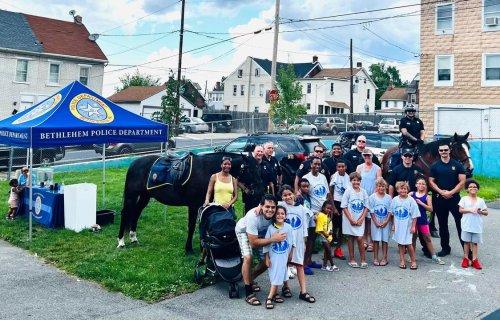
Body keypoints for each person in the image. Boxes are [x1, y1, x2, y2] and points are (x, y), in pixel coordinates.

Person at [235, 194, 286, 306]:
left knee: (268, 261)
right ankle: (248, 292)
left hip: (261, 233)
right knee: (248, 257)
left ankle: (249, 278)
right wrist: (272, 239)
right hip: (243, 231)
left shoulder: (275, 211)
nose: (270, 210)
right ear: (261, 206)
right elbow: (253, 243)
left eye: (273, 207)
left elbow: (286, 202)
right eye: (267, 206)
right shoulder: (253, 216)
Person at [388, 148, 432, 257]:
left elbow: (424, 183)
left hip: (415, 201)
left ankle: (426, 249)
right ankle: (403, 245)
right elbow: (391, 185)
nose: (408, 158)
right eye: (405, 156)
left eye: (410, 156)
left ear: (413, 157)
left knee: (418, 225)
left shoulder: (418, 169)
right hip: (401, 201)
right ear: (402, 156)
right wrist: (390, 199)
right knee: (404, 224)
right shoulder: (396, 169)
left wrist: (424, 197)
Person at [428, 141, 466, 257]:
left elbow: (462, 181)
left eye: (445, 150)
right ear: (439, 152)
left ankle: (466, 250)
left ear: (449, 150)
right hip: (440, 199)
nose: (443, 152)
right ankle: (445, 248)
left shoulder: (458, 165)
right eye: (441, 150)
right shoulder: (435, 166)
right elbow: (430, 181)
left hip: (454, 199)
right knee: (442, 225)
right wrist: (440, 191)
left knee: (460, 224)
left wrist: (451, 192)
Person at [278, 185, 315, 302]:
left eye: (289, 194)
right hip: (284, 240)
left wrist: (304, 242)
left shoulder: (301, 209)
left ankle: (303, 291)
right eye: (285, 195)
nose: (288, 197)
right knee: (285, 263)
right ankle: (286, 286)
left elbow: (304, 226)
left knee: (299, 265)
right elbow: (266, 202)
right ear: (281, 197)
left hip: (298, 241)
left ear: (294, 194)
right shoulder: (280, 206)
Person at [303, 157, 331, 272]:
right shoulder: (306, 177)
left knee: (318, 238)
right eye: (315, 164)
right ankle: (304, 263)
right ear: (311, 164)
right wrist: (312, 212)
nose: (317, 166)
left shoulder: (323, 177)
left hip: (324, 211)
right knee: (311, 237)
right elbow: (305, 194)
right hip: (314, 212)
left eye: (319, 164)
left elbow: (327, 193)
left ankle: (309, 260)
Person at [263, 205, 294, 310]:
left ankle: (273, 296)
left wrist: (291, 254)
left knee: (279, 275)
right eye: (278, 213)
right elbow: (266, 244)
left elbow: (291, 242)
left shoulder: (288, 228)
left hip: (283, 257)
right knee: (275, 276)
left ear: (285, 216)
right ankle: (269, 298)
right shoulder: (271, 229)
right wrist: (266, 258)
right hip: (274, 257)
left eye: (282, 213)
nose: (280, 215)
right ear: (274, 215)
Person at [410, 178, 445, 265]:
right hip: (413, 220)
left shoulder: (427, 196)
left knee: (427, 238)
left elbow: (431, 209)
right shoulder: (411, 194)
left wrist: (421, 203)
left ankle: (434, 256)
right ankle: (412, 257)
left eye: (423, 184)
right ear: (416, 185)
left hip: (423, 220)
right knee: (413, 238)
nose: (421, 185)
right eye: (419, 183)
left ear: (425, 186)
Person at [341, 172, 369, 269]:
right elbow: (344, 207)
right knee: (351, 237)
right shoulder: (348, 191)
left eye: (357, 180)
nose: (356, 182)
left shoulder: (363, 192)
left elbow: (366, 207)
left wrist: (361, 219)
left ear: (360, 181)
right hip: (350, 218)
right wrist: (351, 219)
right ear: (351, 181)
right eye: (354, 180)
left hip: (360, 218)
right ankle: (352, 259)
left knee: (360, 238)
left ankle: (363, 259)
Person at [458, 179, 488, 270]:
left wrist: (480, 212)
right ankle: (466, 258)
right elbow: (460, 210)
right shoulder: (464, 199)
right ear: (467, 189)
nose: (473, 188)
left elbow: (486, 212)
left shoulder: (480, 200)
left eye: (475, 187)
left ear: (477, 189)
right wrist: (470, 210)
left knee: (475, 243)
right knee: (466, 242)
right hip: (466, 224)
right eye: (470, 187)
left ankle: (475, 259)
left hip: (477, 225)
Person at [356, 148, 381, 253]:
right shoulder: (359, 167)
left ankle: (371, 241)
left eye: (369, 155)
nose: (367, 157)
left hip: (372, 196)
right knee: (364, 220)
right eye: (365, 155)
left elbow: (379, 182)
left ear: (372, 156)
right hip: (361, 196)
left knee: (370, 220)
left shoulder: (377, 168)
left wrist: (373, 195)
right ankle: (364, 239)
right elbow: (356, 181)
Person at [390, 181, 420, 270]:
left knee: (408, 243)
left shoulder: (411, 200)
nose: (403, 190)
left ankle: (413, 260)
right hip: (398, 225)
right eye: (401, 189)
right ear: (397, 190)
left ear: (407, 189)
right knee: (400, 243)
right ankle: (402, 260)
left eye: (405, 188)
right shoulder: (395, 200)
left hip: (407, 225)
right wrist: (393, 225)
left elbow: (415, 215)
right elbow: (392, 214)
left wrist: (413, 226)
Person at [238, 145, 271, 214]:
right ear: (253, 152)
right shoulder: (247, 164)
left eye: (261, 151)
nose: (260, 153)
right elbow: (238, 180)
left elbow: (270, 181)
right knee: (249, 215)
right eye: (258, 151)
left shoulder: (266, 165)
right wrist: (245, 189)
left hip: (263, 196)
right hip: (250, 197)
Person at [329, 160, 350, 261]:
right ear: (337, 167)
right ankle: (328, 250)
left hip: (344, 204)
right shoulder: (334, 176)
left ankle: (338, 249)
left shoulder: (349, 178)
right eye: (339, 167)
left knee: (342, 229)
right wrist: (333, 208)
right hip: (335, 203)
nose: (341, 168)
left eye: (343, 166)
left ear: (346, 167)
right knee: (332, 229)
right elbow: (331, 193)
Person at [368, 178, 392, 266]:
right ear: (376, 187)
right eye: (379, 186)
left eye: (383, 186)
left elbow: (390, 211)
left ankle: (384, 258)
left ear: (385, 187)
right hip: (376, 222)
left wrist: (386, 221)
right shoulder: (372, 197)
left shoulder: (389, 197)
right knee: (376, 240)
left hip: (386, 221)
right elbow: (371, 211)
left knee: (384, 240)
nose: (381, 188)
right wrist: (375, 222)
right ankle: (375, 258)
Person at [315, 201, 339, 272]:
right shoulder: (321, 215)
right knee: (329, 250)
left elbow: (329, 224)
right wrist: (325, 234)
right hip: (323, 236)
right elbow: (320, 227)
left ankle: (324, 266)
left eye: (330, 209)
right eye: (327, 208)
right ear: (323, 208)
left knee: (326, 251)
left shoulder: (328, 215)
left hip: (328, 236)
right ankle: (332, 265)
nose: (329, 210)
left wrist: (331, 231)